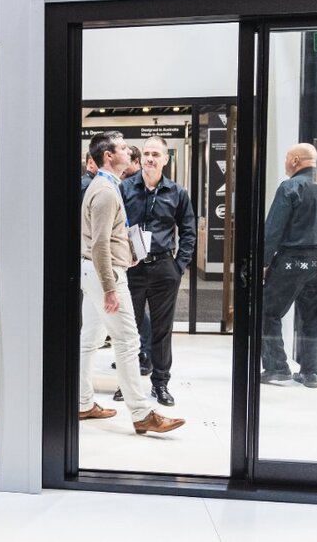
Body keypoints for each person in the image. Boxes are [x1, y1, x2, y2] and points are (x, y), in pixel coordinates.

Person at [78, 130, 185, 435]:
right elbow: (98, 244)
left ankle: (83, 402)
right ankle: (141, 414)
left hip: (99, 272)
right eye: (124, 148)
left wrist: (126, 253)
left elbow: (106, 239)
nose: (130, 152)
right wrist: (111, 286)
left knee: (89, 340)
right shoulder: (106, 191)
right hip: (105, 275)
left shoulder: (108, 187)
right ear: (109, 156)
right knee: (128, 341)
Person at [121, 136, 196, 406]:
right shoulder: (125, 188)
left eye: (156, 154)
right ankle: (127, 384)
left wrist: (179, 265)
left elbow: (188, 231)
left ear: (166, 159)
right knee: (129, 329)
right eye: (147, 153)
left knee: (163, 330)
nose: (150, 158)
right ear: (140, 158)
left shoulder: (177, 193)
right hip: (132, 268)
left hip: (164, 267)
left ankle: (161, 384)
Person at [260, 143, 317, 389]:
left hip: (293, 259)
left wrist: (262, 262)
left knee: (267, 310)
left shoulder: (290, 186)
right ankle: (309, 373)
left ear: (295, 160)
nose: (285, 163)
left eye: (287, 158)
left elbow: (273, 229)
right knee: (312, 316)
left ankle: (276, 367)